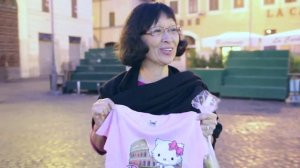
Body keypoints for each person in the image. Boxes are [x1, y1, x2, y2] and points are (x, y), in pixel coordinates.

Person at [90, 1, 222, 162]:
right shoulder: (114, 92)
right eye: (157, 31)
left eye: (173, 30)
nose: (168, 39)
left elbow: (207, 148)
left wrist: (208, 130)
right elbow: (100, 147)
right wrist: (99, 124)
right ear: (137, 38)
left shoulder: (193, 89)